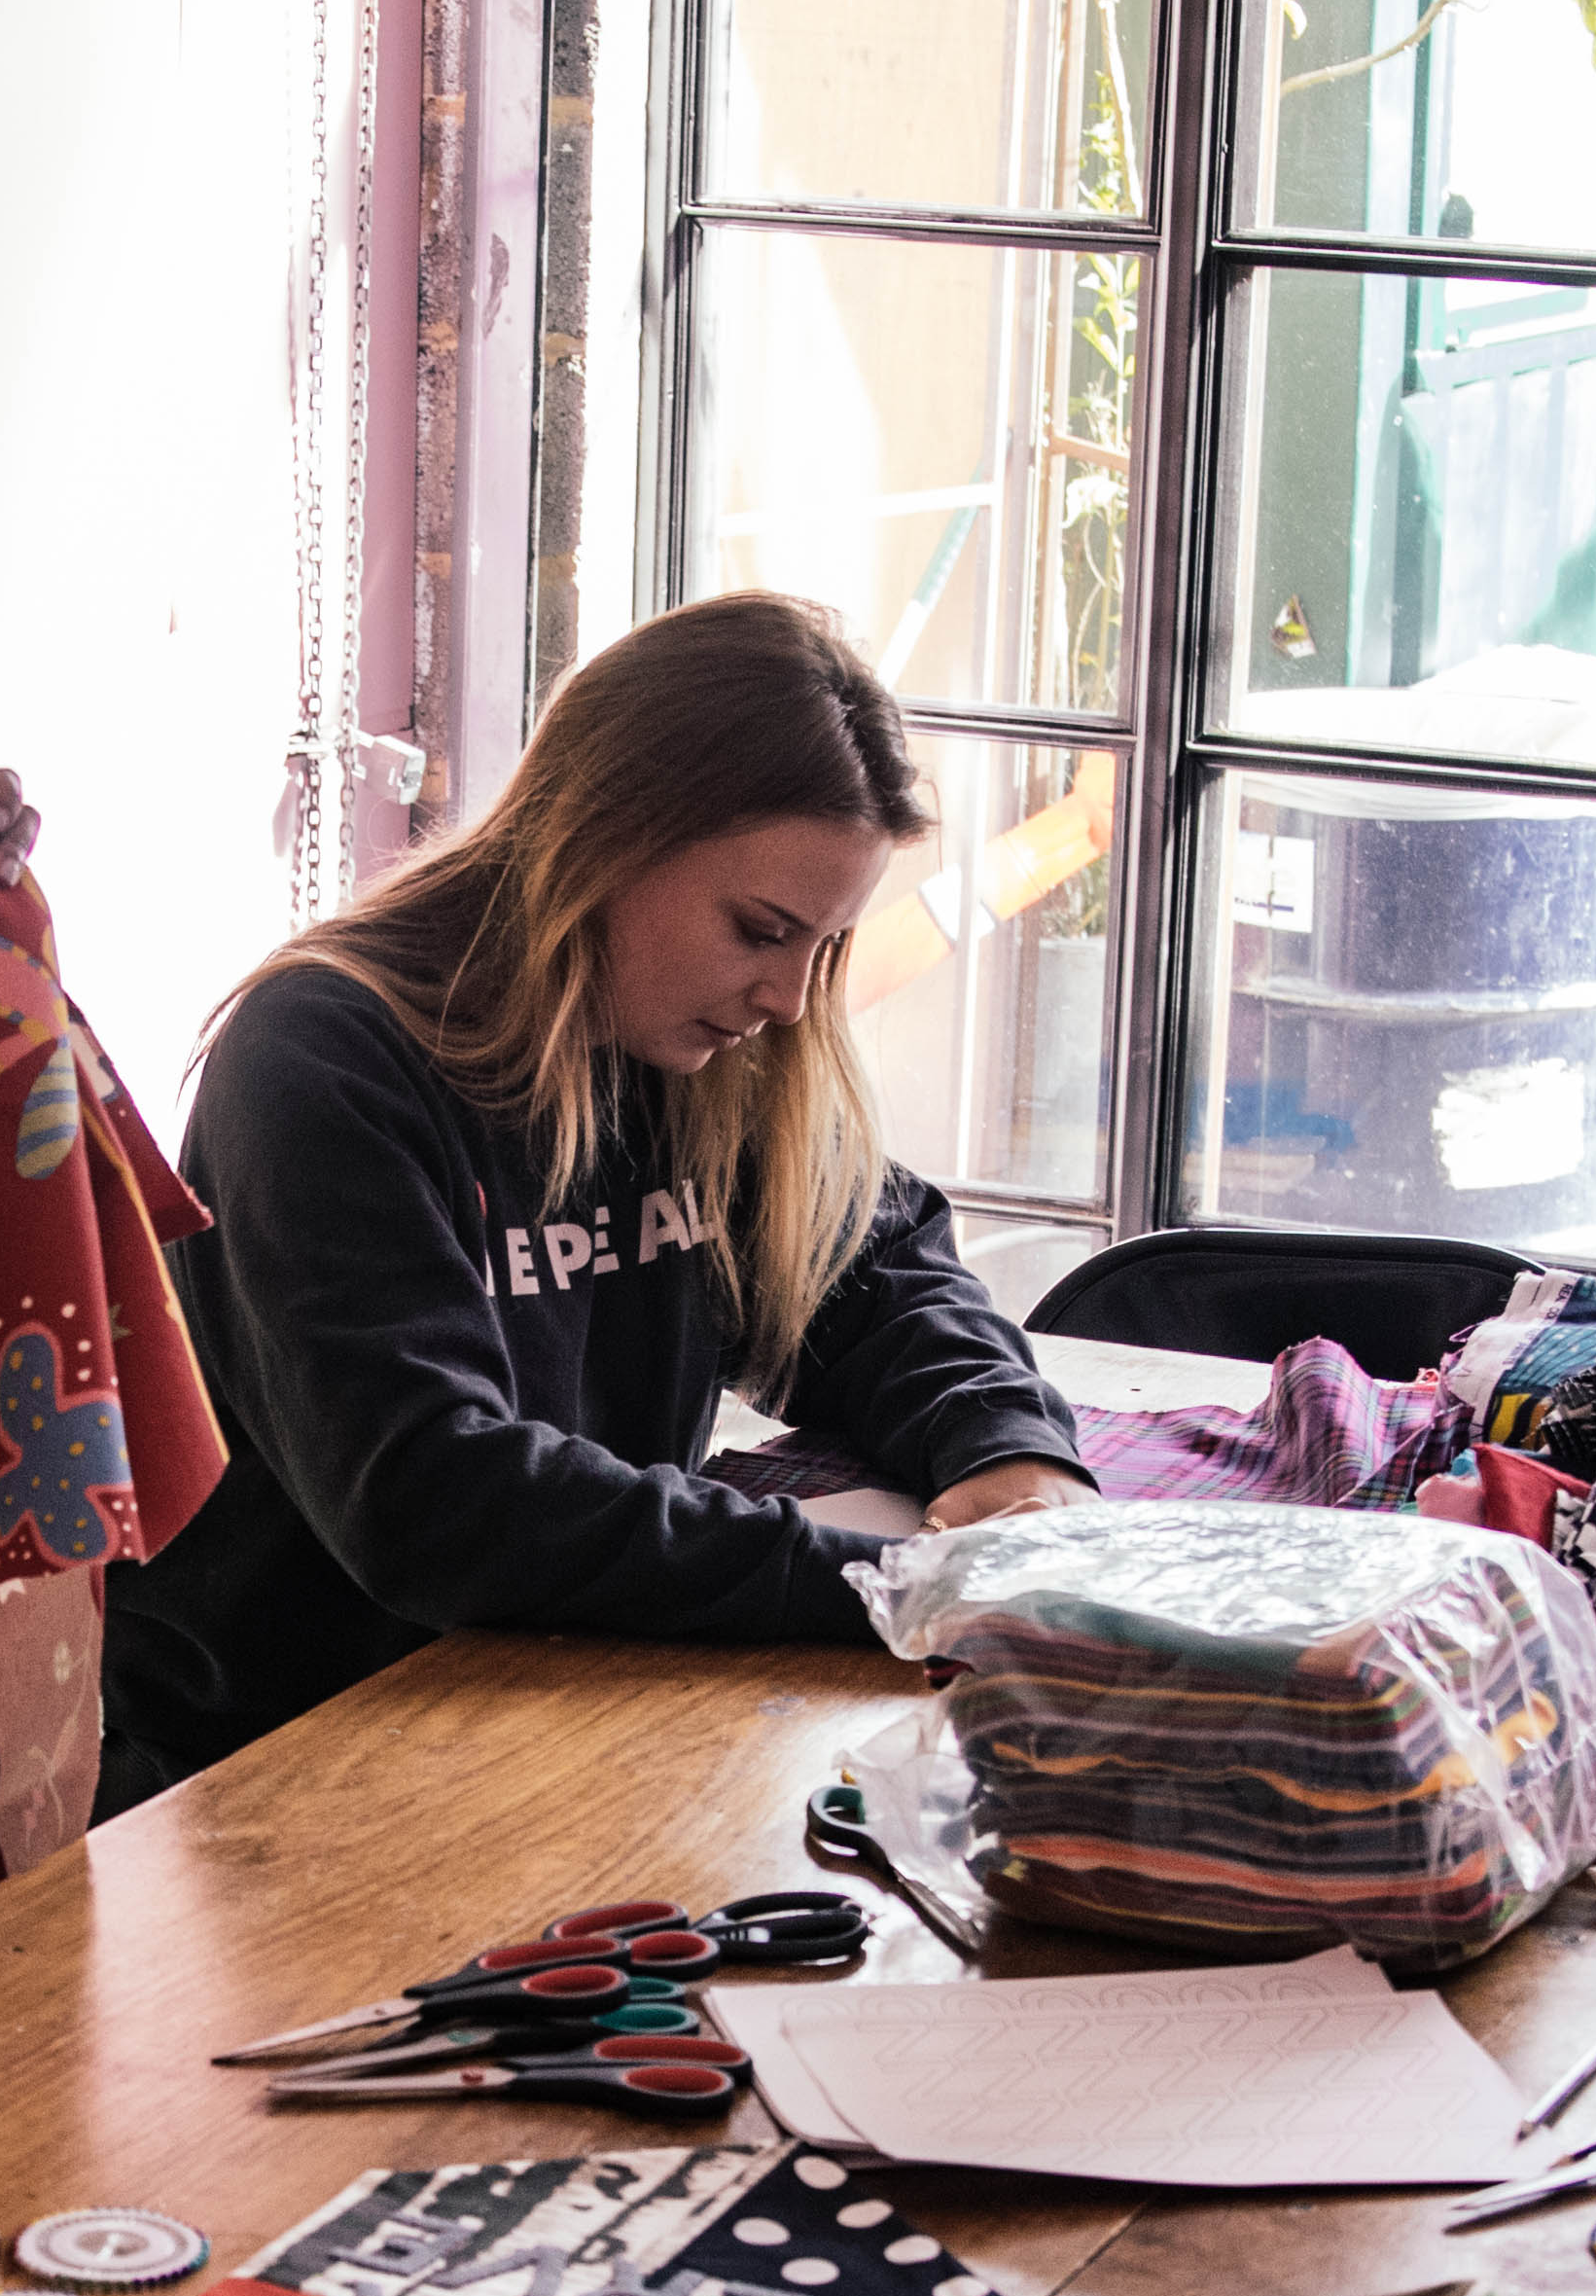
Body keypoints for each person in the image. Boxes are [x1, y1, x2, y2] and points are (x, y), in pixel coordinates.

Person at [98, 592, 1093, 1806]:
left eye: (824, 949)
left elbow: (876, 1274)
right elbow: (439, 1502)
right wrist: (885, 1588)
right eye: (760, 930)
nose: (787, 997)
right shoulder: (320, 1060)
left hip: (563, 1719)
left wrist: (1009, 1447)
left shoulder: (701, 1054)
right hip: (278, 1780)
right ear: (607, 835)